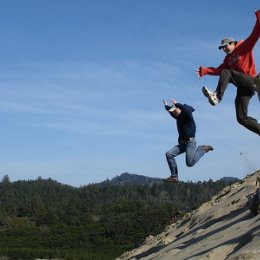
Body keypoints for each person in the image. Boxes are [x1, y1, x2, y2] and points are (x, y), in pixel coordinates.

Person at [196, 10, 260, 136]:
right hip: (244, 89)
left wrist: (259, 18)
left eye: (226, 46)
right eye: (222, 48)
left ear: (232, 43)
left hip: (251, 81)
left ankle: (217, 96)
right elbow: (218, 70)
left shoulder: (243, 47)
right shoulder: (227, 60)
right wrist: (205, 71)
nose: (224, 49)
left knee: (227, 72)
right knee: (241, 118)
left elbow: (255, 35)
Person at [163, 99, 213, 183]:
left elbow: (189, 109)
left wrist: (177, 104)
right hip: (183, 144)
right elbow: (171, 112)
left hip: (190, 142)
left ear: (179, 109)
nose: (174, 113)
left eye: (175, 111)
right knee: (169, 154)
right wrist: (166, 106)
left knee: (189, 163)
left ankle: (202, 149)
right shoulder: (178, 117)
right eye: (173, 112)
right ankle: (174, 176)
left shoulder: (187, 115)